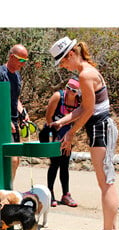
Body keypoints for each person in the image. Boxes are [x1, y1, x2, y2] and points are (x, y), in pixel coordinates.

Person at [49, 37, 119, 230]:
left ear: (70, 54)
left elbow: (88, 110)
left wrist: (70, 133)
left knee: (106, 182)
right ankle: (109, 228)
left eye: (62, 61)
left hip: (100, 128)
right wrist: (63, 121)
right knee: (105, 180)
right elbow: (83, 108)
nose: (63, 66)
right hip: (99, 128)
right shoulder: (87, 72)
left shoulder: (85, 75)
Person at [0, 44, 29, 180]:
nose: (22, 64)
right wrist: (5, 121)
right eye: (21, 60)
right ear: (12, 57)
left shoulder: (17, 76)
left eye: (25, 61)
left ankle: (9, 187)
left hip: (14, 122)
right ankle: (4, 189)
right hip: (2, 124)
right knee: (11, 160)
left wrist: (23, 113)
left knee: (16, 160)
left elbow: (15, 98)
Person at [41, 78, 81, 207]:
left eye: (73, 90)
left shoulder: (79, 101)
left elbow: (78, 120)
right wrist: (55, 136)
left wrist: (70, 137)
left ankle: (66, 194)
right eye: (68, 87)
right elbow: (48, 117)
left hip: (67, 132)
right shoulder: (58, 96)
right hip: (53, 129)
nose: (69, 91)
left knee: (65, 162)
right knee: (54, 163)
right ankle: (50, 192)